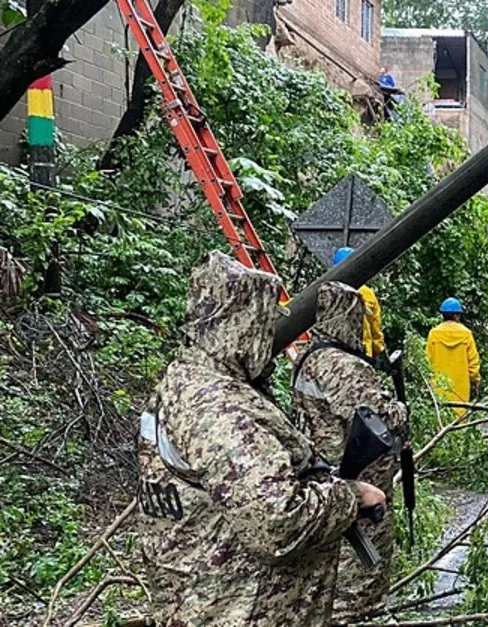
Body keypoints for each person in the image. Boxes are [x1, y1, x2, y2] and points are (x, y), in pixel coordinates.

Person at [136, 252, 386, 626]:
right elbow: (274, 524)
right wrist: (350, 497)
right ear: (243, 324)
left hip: (200, 601)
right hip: (235, 609)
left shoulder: (185, 381)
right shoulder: (218, 409)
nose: (273, 337)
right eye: (267, 324)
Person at [292, 282, 407, 621]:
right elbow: (377, 417)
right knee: (359, 584)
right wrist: (401, 408)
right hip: (358, 485)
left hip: (321, 480)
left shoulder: (308, 358)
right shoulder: (343, 366)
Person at [426, 297, 481, 416]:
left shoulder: (434, 333)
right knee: (460, 418)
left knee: (440, 417)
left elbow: (427, 361)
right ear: (457, 316)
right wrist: (475, 380)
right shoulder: (466, 334)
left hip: (439, 386)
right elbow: (473, 362)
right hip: (460, 387)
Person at [332, 247, 386, 359]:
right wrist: (376, 352)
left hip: (334, 356)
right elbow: (375, 329)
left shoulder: (328, 291)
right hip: (362, 356)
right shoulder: (366, 293)